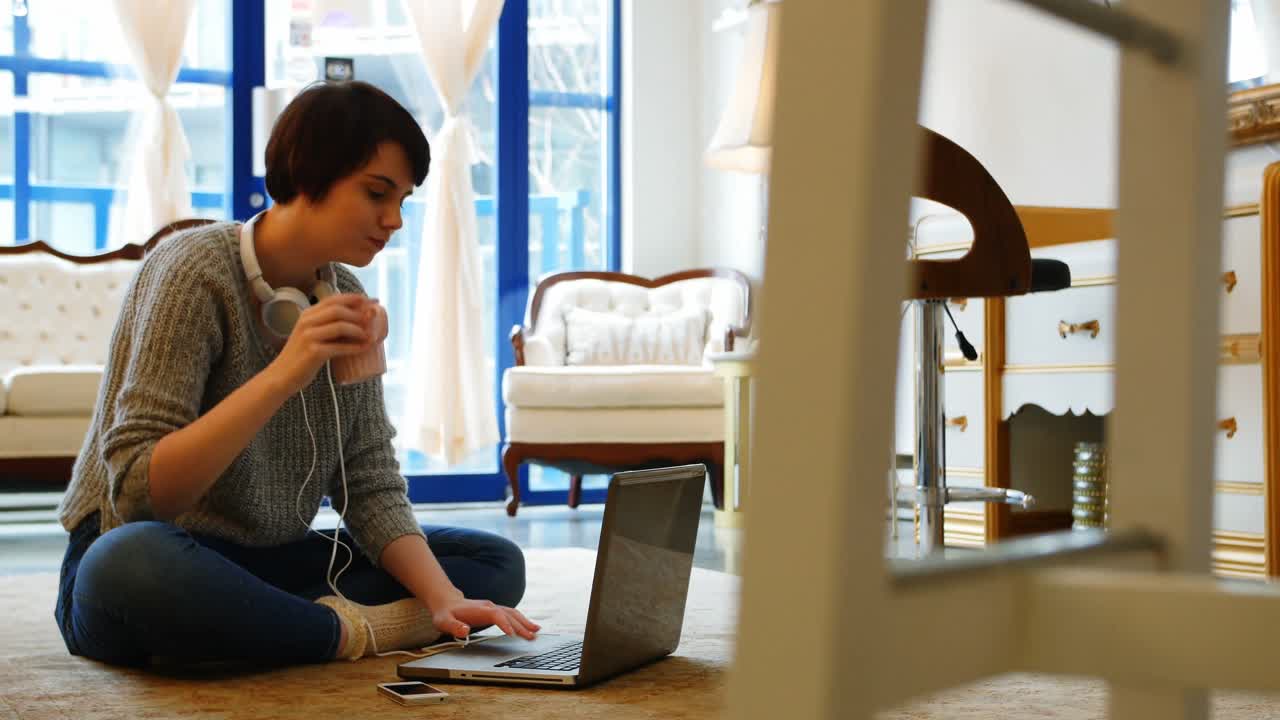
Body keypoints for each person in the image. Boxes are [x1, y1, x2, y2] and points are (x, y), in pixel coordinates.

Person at [52, 80, 539, 668]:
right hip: (152, 545)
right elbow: (140, 496)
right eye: (377, 193)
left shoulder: (345, 294)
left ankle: (285, 626)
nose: (395, 221)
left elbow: (369, 483)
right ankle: (353, 634)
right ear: (309, 176)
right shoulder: (191, 272)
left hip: (270, 559)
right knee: (129, 565)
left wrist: (443, 601)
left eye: (403, 200)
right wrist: (286, 372)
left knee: (493, 565)